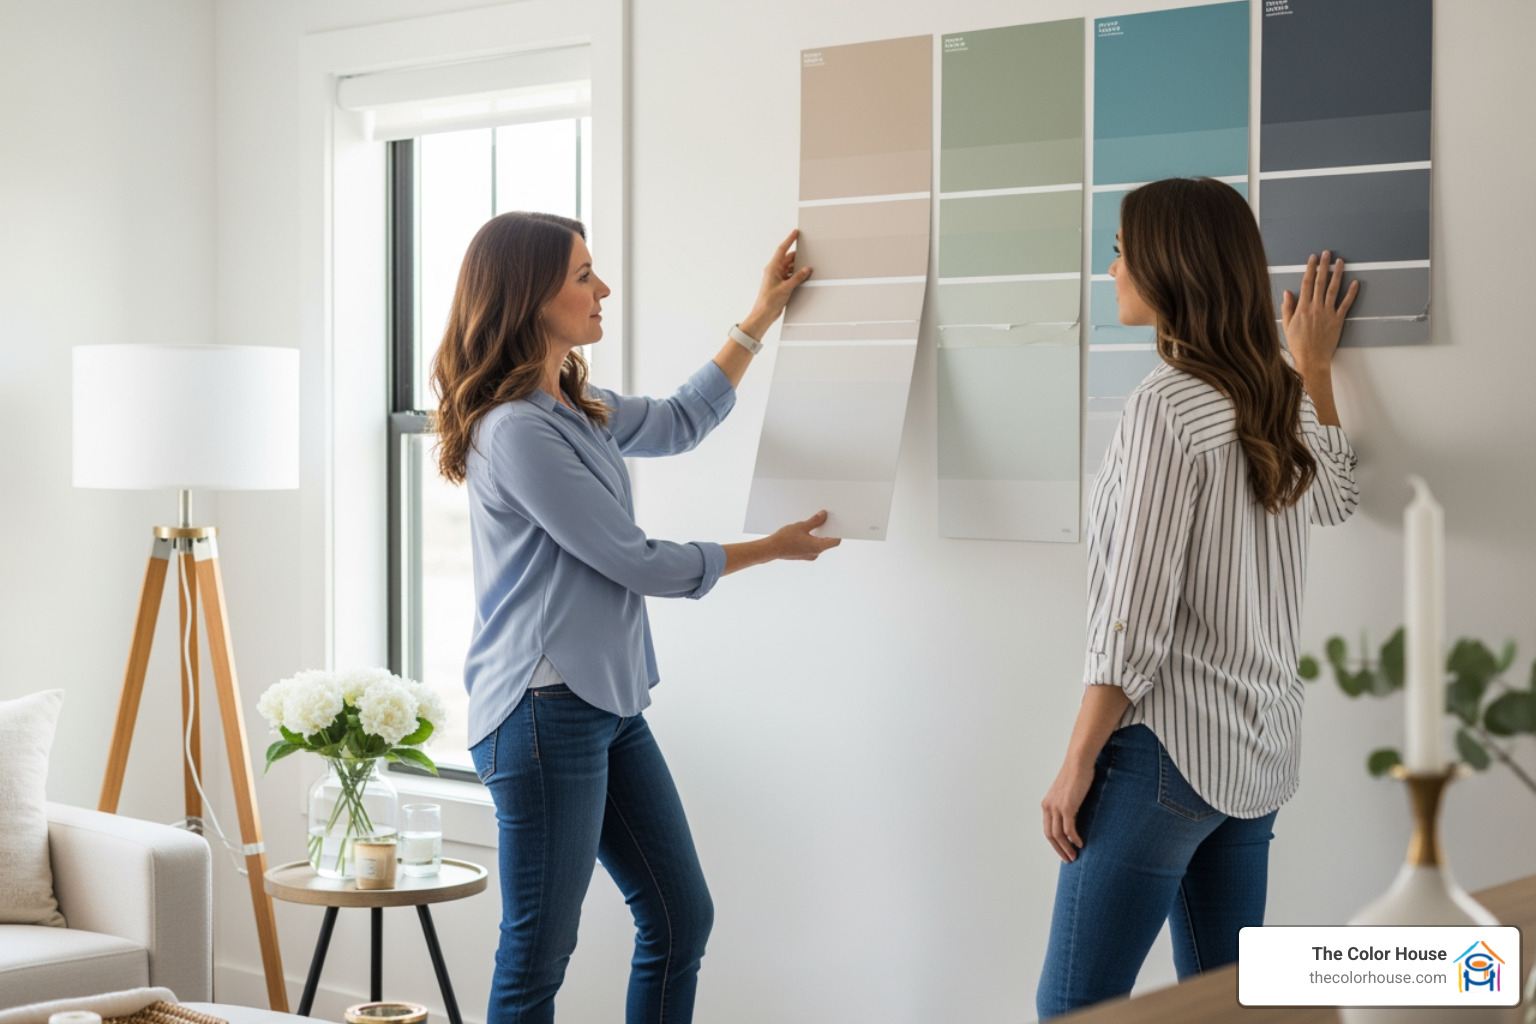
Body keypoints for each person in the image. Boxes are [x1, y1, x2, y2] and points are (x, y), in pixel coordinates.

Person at [431, 212, 839, 1024]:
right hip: (543, 713)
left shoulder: (572, 406)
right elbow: (633, 559)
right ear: (529, 295)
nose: (602, 288)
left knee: (681, 917)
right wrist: (770, 548)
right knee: (537, 956)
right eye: (584, 275)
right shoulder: (515, 433)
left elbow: (684, 418)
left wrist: (758, 317)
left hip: (606, 704)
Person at [1035, 177, 1361, 1019]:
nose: (1110, 268)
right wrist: (1313, 367)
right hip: (1255, 753)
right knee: (1227, 1005)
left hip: (1164, 758)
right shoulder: (1275, 391)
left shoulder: (1166, 405)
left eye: (1121, 250)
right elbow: (1337, 497)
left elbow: (1132, 617)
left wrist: (1078, 761)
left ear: (1170, 265)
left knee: (1074, 1006)